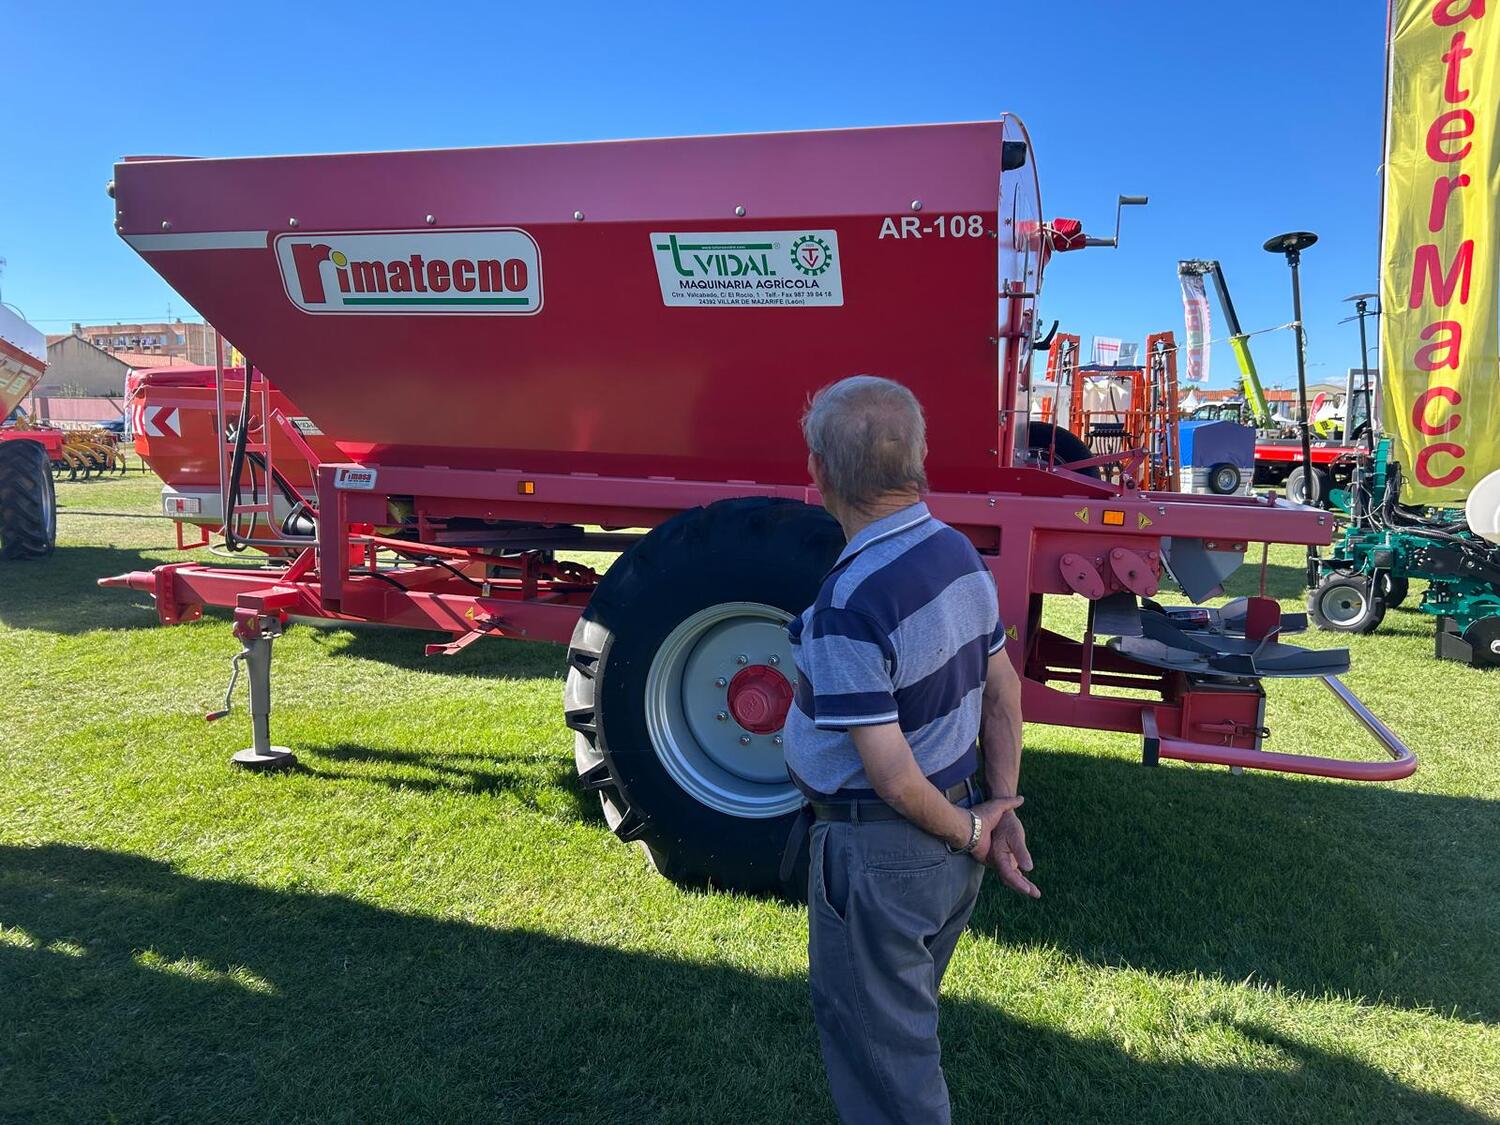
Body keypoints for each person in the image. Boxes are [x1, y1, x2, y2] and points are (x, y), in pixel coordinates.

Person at [785, 375, 1037, 1125]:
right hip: (949, 839)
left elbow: (892, 777)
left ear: (820, 474)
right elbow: (1004, 695)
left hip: (887, 851)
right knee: (903, 1014)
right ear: (918, 463)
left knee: (888, 1059)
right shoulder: (958, 552)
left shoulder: (847, 603)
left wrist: (972, 828)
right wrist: (997, 807)